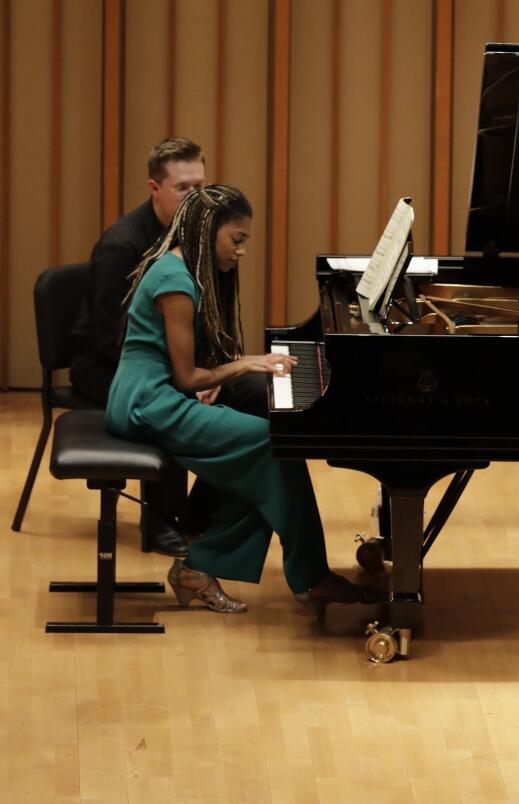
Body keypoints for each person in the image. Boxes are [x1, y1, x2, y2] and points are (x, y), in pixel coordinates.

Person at [106, 184, 373, 615]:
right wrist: (247, 364)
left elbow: (189, 367)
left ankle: (203, 568)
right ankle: (310, 578)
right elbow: (188, 376)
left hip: (155, 395)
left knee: (270, 460)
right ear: (207, 231)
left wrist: (228, 369)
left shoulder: (182, 269)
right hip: (146, 404)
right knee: (275, 447)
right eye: (237, 240)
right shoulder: (175, 281)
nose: (241, 251)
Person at [71, 137, 268, 557]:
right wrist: (191, 377)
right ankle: (159, 522)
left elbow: (209, 320)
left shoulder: (209, 238)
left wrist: (212, 368)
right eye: (183, 189)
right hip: (108, 364)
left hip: (178, 362)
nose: (194, 197)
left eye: (200, 187)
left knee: (258, 395)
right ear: (155, 188)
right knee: (174, 399)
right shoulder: (122, 245)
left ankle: (201, 512)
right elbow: (111, 336)